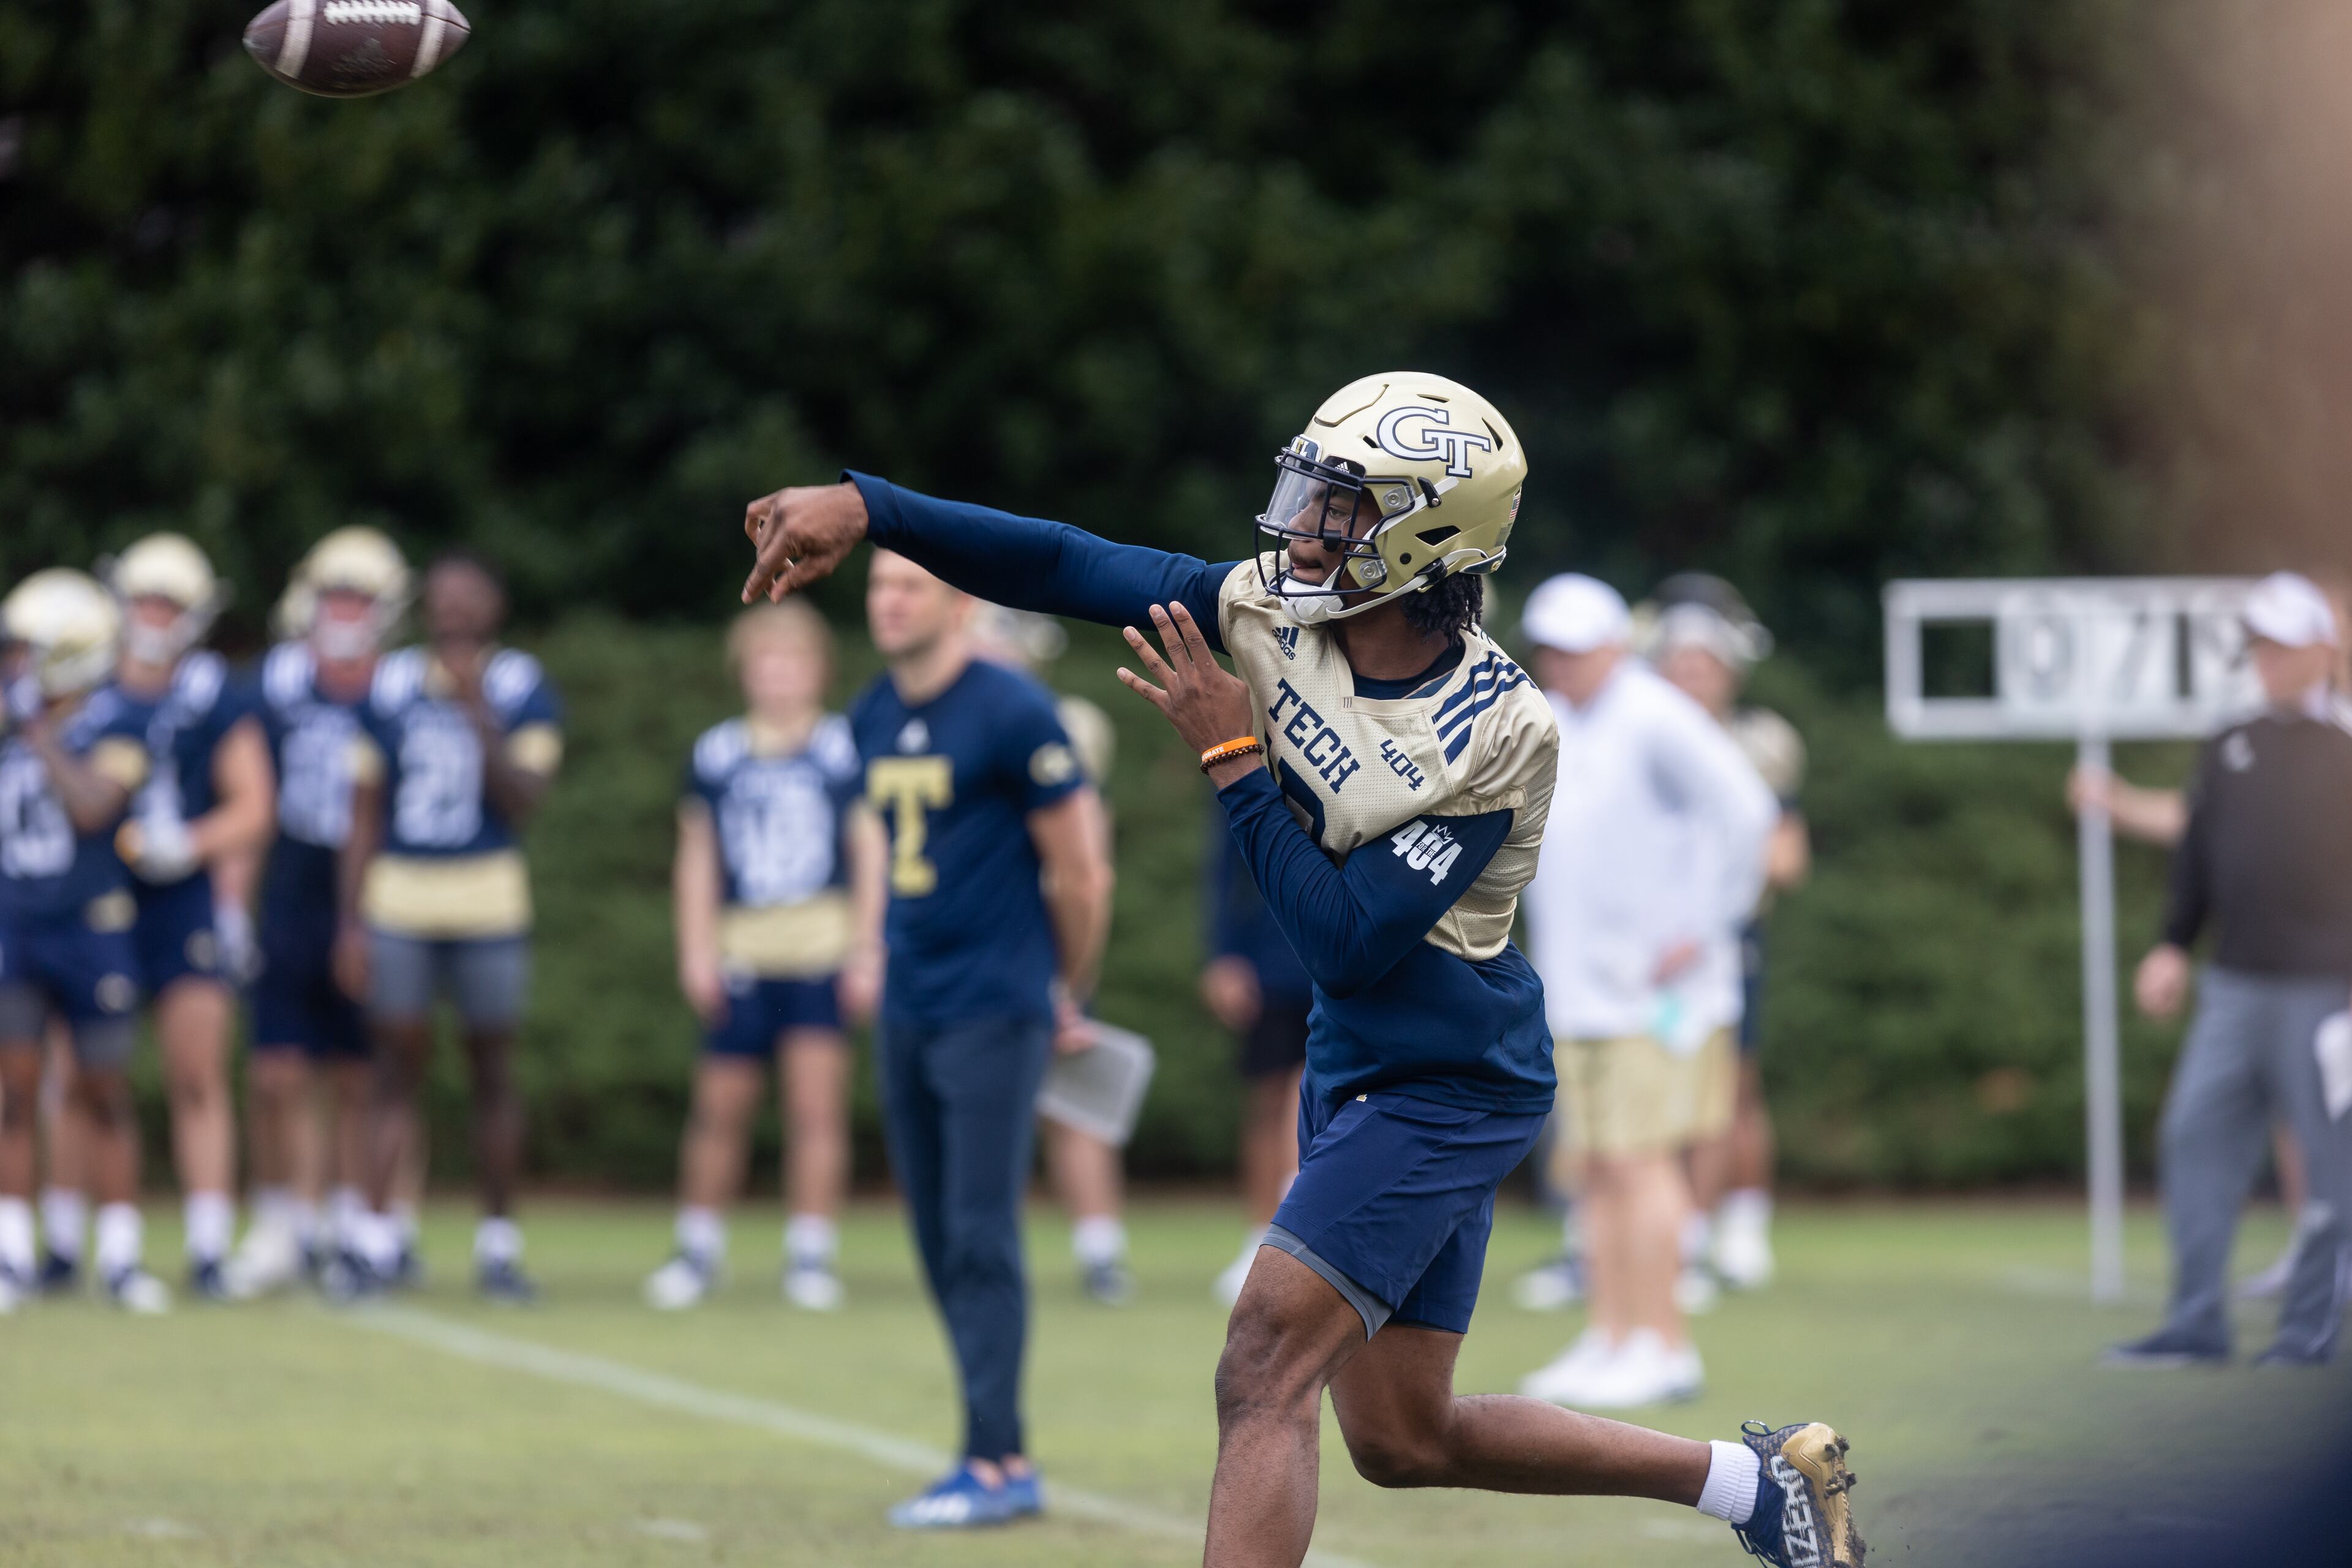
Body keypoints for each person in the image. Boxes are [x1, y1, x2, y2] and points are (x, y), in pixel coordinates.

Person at [741, 371, 1864, 1568]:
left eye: (1345, 503)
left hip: (1451, 1073)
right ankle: (1760, 1483)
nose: (1308, 522)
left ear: (1428, 531)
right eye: (1317, 489)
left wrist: (1233, 754)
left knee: (1261, 1361)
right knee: (1403, 1435)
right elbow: (1072, 563)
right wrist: (872, 506)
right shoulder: (1277, 607)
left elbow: (1346, 935)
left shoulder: (1499, 724)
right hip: (1359, 1055)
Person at [843, 551, 1112, 1528]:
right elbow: (878, 843)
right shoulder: (871, 710)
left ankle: (998, 1461)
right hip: (912, 1000)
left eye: (910, 586)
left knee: (980, 1232)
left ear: (959, 605)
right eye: (877, 587)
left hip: (994, 1004)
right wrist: (869, 949)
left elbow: (1082, 874)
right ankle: (985, 1445)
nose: (889, 603)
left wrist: (1062, 987)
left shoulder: (1011, 709)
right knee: (932, 1235)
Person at [1513, 574, 1778, 1409]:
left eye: (1576, 646)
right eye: (1549, 646)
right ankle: (1610, 1333)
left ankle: (1665, 1343)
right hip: (1579, 990)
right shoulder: (1562, 719)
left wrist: (1706, 926)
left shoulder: (1654, 713)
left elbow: (1750, 812)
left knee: (1639, 1162)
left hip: (1647, 996)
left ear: (1615, 645)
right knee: (1594, 1167)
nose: (1560, 661)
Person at [2107, 571, 2352, 1366]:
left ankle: (2307, 1329)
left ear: (2325, 648)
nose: (2268, 660)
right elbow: (2200, 858)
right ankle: (2197, 1322)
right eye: (2260, 646)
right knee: (2194, 1136)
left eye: (2283, 645)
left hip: (2328, 990)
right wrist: (2173, 944)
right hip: (2234, 985)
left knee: (2326, 1161)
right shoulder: (2229, 742)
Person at [643, 601, 884, 1313]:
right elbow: (697, 860)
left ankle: (810, 1252)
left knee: (816, 1109)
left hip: (819, 948)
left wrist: (868, 949)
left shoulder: (841, 747)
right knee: (720, 1107)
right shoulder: (719, 751)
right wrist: (696, 950)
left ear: (819, 671)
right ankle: (698, 1247)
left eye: (793, 661)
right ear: (743, 672)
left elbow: (869, 852)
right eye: (765, 662)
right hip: (743, 949)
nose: (778, 676)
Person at [336, 551, 564, 1302]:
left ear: (494, 607)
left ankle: (499, 1244)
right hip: (401, 899)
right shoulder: (391, 683)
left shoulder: (521, 685)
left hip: (487, 900)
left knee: (491, 1071)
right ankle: (373, 1241)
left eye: (470, 598)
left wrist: (474, 709)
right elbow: (364, 813)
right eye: (443, 600)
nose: (456, 612)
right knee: (392, 1072)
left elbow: (522, 798)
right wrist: (351, 921)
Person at [79, 535, 274, 1299]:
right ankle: (71, 1240)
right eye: (145, 600)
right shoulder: (87, 682)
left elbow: (256, 805)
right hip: (94, 898)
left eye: (170, 603)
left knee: (197, 1072)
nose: (155, 616)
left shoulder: (214, 695)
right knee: (88, 1077)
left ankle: (206, 1246)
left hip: (183, 895)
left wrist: (190, 843)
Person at [228, 527, 413, 1295]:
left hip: (381, 890)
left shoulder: (404, 686)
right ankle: (281, 1220)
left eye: (359, 597)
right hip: (295, 887)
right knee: (275, 1072)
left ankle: (363, 1220)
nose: (344, 610)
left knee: (366, 1073)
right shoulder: (274, 683)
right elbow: (245, 797)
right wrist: (232, 903)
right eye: (334, 594)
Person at [0, 570, 172, 1313]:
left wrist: (39, 737)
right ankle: (10, 1256)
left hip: (91, 928)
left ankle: (123, 1257)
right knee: (12, 1092)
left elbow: (96, 808)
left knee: (104, 1091)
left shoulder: (118, 722)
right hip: (14, 924)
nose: (14, 663)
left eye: (27, 649)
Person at [1646, 576, 1810, 1295]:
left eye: (1703, 664)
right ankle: (1651, 1235)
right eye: (1678, 663)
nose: (1690, 676)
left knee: (1729, 1089)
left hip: (1720, 940)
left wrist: (1716, 904)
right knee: (1654, 1088)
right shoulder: (1638, 733)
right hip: (1646, 949)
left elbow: (1785, 855)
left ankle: (1728, 1230)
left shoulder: (1758, 744)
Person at [970, 601, 1136, 1306]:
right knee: (976, 1103)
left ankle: (1101, 1251)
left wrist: (1072, 976)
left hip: (1040, 930)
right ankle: (979, 1249)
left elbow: (1084, 856)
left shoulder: (1061, 724)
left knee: (1072, 1102)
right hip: (976, 934)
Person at [1201, 799, 1311, 1306]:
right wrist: (1223, 954)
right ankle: (1260, 1242)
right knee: (1268, 1100)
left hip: (1343, 955)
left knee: (1314, 1097)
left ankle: (1304, 1245)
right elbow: (1223, 866)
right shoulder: (1246, 760)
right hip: (1269, 961)